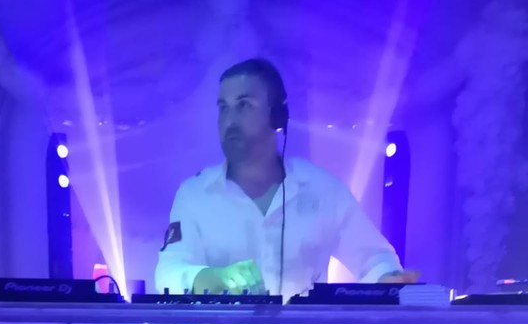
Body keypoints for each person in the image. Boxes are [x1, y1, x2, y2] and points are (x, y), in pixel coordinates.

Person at [155, 58, 418, 300]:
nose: (229, 120)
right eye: (223, 108)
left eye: (244, 105)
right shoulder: (194, 195)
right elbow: (168, 271)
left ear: (276, 116)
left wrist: (387, 281)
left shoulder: (322, 189)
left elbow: (375, 259)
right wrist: (212, 278)